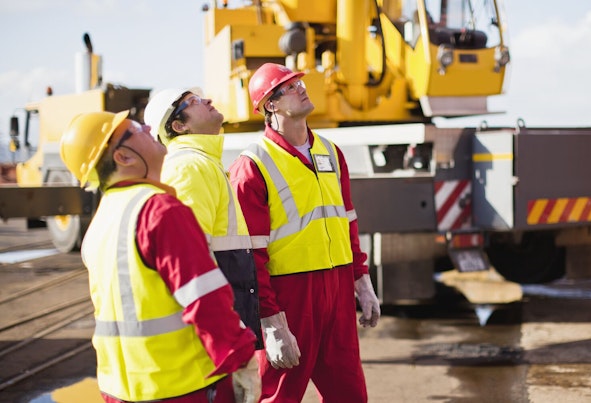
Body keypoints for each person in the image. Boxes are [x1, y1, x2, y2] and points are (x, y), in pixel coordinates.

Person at [59, 111, 260, 403]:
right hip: (183, 386)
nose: (150, 127)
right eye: (137, 128)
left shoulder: (101, 221)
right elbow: (205, 298)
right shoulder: (158, 211)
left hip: (120, 389)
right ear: (123, 157)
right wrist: (241, 359)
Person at [228, 63, 381, 403]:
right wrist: (269, 318)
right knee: (279, 398)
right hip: (289, 297)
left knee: (351, 396)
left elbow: (347, 220)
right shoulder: (252, 165)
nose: (301, 88)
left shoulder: (330, 151)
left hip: (338, 290)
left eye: (299, 81)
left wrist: (361, 279)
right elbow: (249, 253)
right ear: (271, 104)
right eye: (289, 86)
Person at [144, 88, 262, 349]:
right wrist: (228, 331)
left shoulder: (203, 163)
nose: (207, 100)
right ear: (178, 125)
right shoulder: (189, 167)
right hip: (215, 332)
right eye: (193, 101)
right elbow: (192, 261)